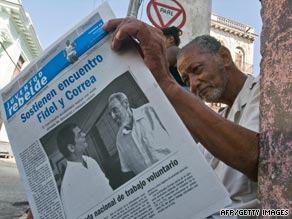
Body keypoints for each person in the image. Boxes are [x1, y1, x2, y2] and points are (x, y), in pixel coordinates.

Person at [103, 19, 259, 218]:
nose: (193, 85)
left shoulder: (265, 92)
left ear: (225, 57)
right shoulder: (218, 119)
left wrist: (166, 83)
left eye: (197, 70)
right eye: (186, 80)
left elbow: (257, 158)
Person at [57, 123, 113, 219]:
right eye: (79, 134)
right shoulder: (67, 186)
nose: (84, 134)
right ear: (71, 148)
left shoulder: (91, 161)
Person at [108, 92, 172, 175]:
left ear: (125, 104)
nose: (113, 116)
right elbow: (128, 170)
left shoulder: (150, 110)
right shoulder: (119, 141)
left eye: (115, 110)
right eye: (110, 114)